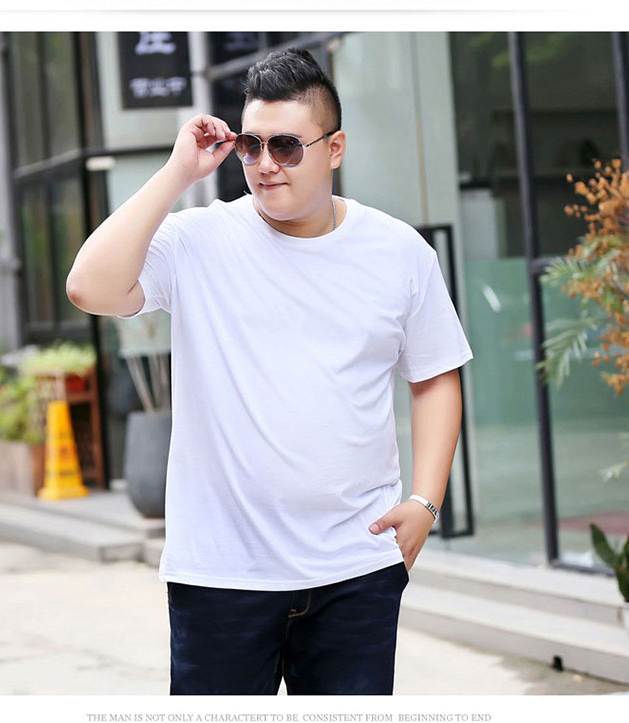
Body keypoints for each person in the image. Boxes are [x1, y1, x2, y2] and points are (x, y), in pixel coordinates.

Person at [66, 47, 473, 695]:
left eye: (286, 146)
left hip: (355, 569)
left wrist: (426, 500)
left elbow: (435, 375)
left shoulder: (399, 252)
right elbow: (89, 287)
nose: (264, 163)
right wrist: (177, 172)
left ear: (335, 148)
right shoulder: (199, 240)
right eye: (251, 145)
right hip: (221, 576)